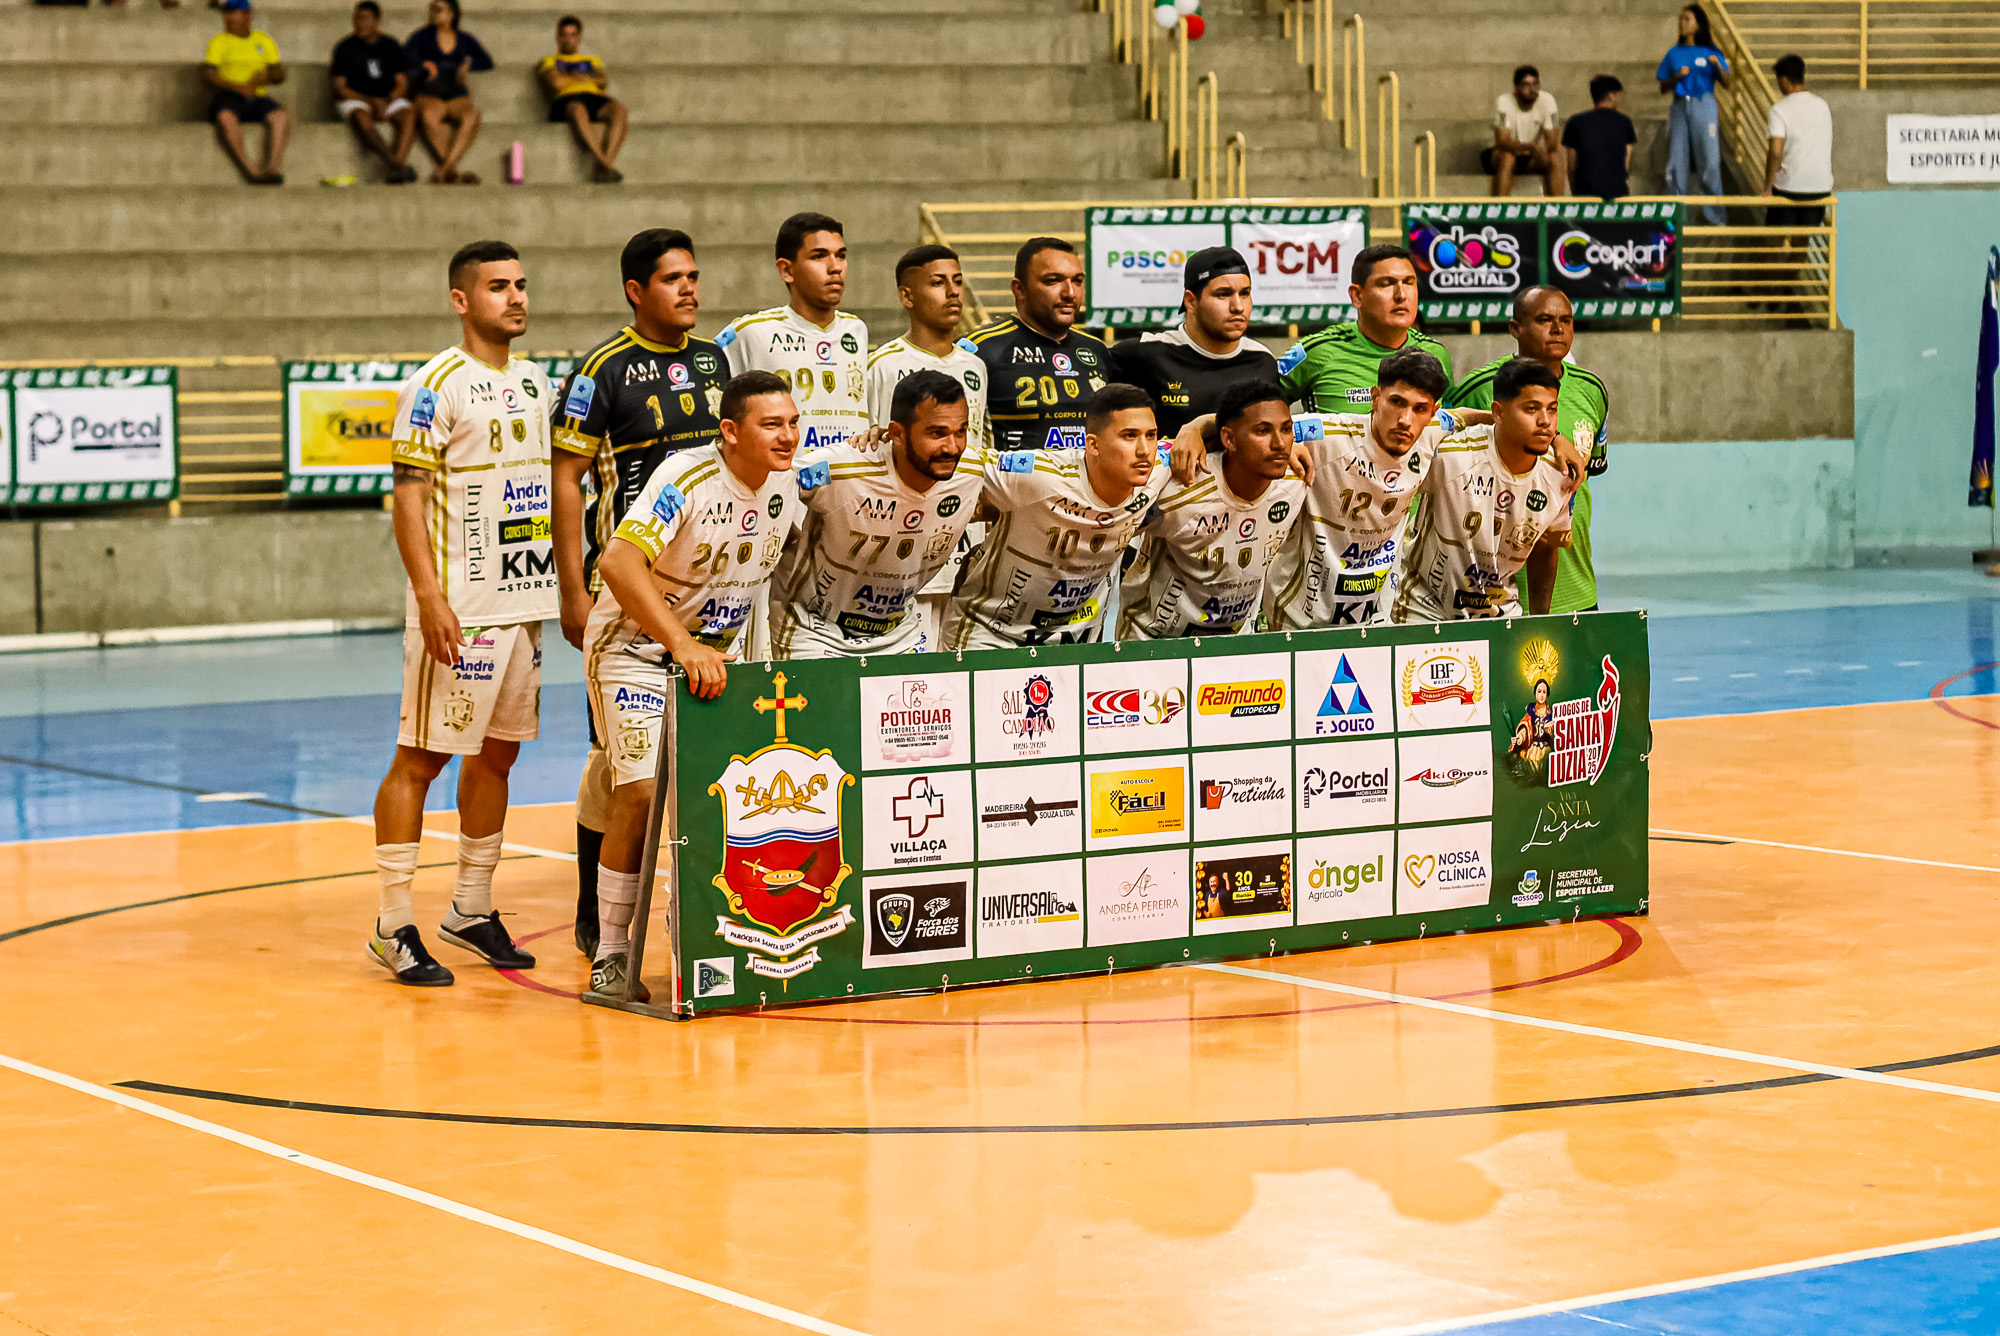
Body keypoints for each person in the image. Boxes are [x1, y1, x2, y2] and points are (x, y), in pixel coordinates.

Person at [580, 372, 805, 999]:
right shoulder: (685, 477)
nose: (788, 436)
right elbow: (618, 560)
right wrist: (681, 643)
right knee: (644, 794)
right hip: (636, 652)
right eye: (772, 425)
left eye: (792, 422)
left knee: (719, 802)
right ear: (730, 432)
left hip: (717, 663)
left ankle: (699, 944)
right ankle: (613, 955)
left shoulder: (789, 484)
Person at [368, 239, 554, 986]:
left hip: (525, 605)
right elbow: (406, 495)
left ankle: (470, 908)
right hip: (460, 610)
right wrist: (430, 597)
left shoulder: (539, 384)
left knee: (499, 753)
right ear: (461, 300)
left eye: (520, 285)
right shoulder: (435, 384)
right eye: (497, 287)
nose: (515, 298)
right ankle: (392, 923)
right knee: (421, 756)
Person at [551, 228, 726, 957]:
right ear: (635, 290)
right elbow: (565, 481)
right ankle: (598, 906)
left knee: (695, 758)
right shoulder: (602, 370)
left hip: (710, 593)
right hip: (626, 591)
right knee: (620, 766)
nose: (688, 288)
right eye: (671, 278)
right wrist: (571, 590)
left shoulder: (717, 361)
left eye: (692, 276)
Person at [774, 371, 988, 658]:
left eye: (960, 431)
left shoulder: (974, 471)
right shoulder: (841, 467)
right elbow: (770, 485)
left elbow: (1047, 477)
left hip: (898, 634)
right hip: (815, 631)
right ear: (897, 433)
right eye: (937, 433)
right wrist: (786, 545)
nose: (952, 447)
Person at [944, 383, 1168, 649]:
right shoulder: (1041, 477)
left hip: (1075, 642)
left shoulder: (1158, 468)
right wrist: (884, 447)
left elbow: (1220, 432)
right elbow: (959, 459)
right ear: (1093, 445)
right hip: (990, 635)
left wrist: (1198, 427)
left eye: (1151, 435)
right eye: (1129, 436)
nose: (1144, 450)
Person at [1446, 286, 1609, 613]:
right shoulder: (1481, 388)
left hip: (1577, 586)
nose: (1558, 328)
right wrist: (1554, 438)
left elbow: (1585, 477)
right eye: (1545, 319)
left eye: (1566, 320)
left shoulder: (1593, 391)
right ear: (1515, 329)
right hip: (1493, 595)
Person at [863, 246, 992, 644]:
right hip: (903, 540)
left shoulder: (975, 366)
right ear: (907, 296)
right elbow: (871, 451)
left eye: (957, 281)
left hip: (962, 533)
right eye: (938, 283)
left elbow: (980, 450)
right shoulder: (882, 365)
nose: (954, 292)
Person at [1118, 379, 1305, 640]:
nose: (1280, 444)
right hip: (1154, 644)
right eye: (1263, 431)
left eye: (1286, 430)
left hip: (1236, 647)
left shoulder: (1298, 478)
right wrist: (1194, 427)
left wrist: (1200, 424)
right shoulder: (1180, 485)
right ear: (1228, 439)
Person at [1391, 357, 1574, 622]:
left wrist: (1540, 623)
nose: (1545, 421)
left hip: (1501, 615)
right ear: (1498, 412)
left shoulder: (1561, 475)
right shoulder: (1450, 455)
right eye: (1532, 409)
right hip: (1423, 611)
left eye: (1552, 409)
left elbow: (1546, 549)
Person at [717, 212, 869, 451]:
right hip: (784, 480)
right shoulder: (750, 332)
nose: (835, 267)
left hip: (850, 480)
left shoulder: (856, 329)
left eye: (841, 256)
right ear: (786, 270)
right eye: (819, 256)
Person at [1106, 246, 1279, 440]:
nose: (1238, 306)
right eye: (1223, 294)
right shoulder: (1145, 353)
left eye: (1245, 293)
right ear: (1190, 301)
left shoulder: (1263, 361)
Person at [964, 237, 1110, 450]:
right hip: (1010, 482)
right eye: (1053, 281)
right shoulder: (982, 349)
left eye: (1077, 281)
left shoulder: (1097, 350)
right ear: (1019, 289)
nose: (1070, 293)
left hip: (1086, 483)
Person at [1277, 245, 1453, 412]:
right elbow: (1256, 405)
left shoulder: (1436, 354)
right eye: (1386, 284)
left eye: (1409, 283)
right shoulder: (1314, 351)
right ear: (1357, 296)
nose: (1401, 295)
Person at [202, 0, 289, 185]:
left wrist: (263, 78)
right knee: (225, 117)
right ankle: (250, 168)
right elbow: (209, 74)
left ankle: (273, 166)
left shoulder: (263, 40)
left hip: (257, 95)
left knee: (280, 117)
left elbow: (279, 72)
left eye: (233, 13)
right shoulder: (219, 41)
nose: (228, 17)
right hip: (231, 95)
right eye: (227, 13)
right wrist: (239, 87)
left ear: (247, 15)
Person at [1658, 3, 1730, 225]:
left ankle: (1713, 214)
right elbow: (1663, 86)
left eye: (1687, 19)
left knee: (1709, 159)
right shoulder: (1674, 53)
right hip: (1680, 106)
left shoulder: (1711, 52)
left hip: (1704, 104)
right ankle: (1676, 215)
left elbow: (1727, 82)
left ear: (1698, 24)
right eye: (1680, 19)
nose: (1682, 23)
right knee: (1676, 162)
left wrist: (1718, 65)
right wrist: (1676, 77)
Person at [330, 0, 417, 184]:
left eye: (364, 19)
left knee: (409, 113)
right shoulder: (344, 48)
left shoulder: (391, 46)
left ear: (377, 21)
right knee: (361, 116)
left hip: (386, 97)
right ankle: (393, 164)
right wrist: (370, 101)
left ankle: (398, 162)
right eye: (356, 19)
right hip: (357, 98)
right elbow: (341, 88)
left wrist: (390, 98)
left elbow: (402, 82)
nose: (359, 23)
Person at [406, 0, 492, 184]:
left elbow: (486, 60)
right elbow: (406, 56)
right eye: (432, 9)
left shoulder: (464, 39)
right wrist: (422, 65)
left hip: (455, 94)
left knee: (471, 116)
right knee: (429, 117)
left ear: (451, 14)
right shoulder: (421, 37)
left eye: (439, 10)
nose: (434, 13)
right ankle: (452, 171)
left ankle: (446, 168)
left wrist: (469, 65)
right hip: (430, 94)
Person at [538, 15, 628, 184]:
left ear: (579, 38)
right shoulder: (549, 60)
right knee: (578, 108)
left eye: (572, 35)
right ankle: (604, 165)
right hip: (566, 100)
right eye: (564, 35)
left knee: (620, 109)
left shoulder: (593, 60)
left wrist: (571, 76)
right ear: (557, 37)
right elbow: (556, 82)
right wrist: (582, 77)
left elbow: (603, 82)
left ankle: (605, 164)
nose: (568, 39)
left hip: (594, 98)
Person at [1763, 55, 1833, 227]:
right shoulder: (1822, 106)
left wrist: (1767, 187)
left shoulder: (1779, 110)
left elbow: (1776, 152)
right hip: (1820, 188)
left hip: (1790, 189)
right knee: (1801, 243)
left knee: (1771, 242)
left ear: (1784, 80)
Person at [1484, 65, 1567, 197]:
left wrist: (1540, 152)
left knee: (1557, 155)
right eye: (1526, 85)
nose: (1532, 89)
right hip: (1507, 154)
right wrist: (1530, 146)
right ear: (1516, 88)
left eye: (1535, 84)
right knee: (1507, 157)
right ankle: (1501, 209)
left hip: (1533, 157)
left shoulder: (1548, 100)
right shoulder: (1504, 101)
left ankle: (1557, 209)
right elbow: (1502, 141)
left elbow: (1552, 140)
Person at [1563, 75, 1638, 200]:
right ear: (1611, 96)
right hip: (1617, 193)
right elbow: (1626, 162)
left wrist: (1576, 193)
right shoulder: (1624, 122)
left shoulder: (1575, 122)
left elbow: (1572, 165)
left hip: (1584, 193)